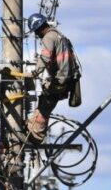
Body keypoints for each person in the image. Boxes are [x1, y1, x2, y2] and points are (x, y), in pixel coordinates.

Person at [26, 13, 81, 144]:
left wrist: (35, 72)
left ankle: (35, 136)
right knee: (45, 105)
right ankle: (32, 128)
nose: (36, 35)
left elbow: (45, 57)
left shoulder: (48, 37)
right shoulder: (59, 35)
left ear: (39, 28)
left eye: (35, 31)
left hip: (60, 80)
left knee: (44, 106)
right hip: (67, 79)